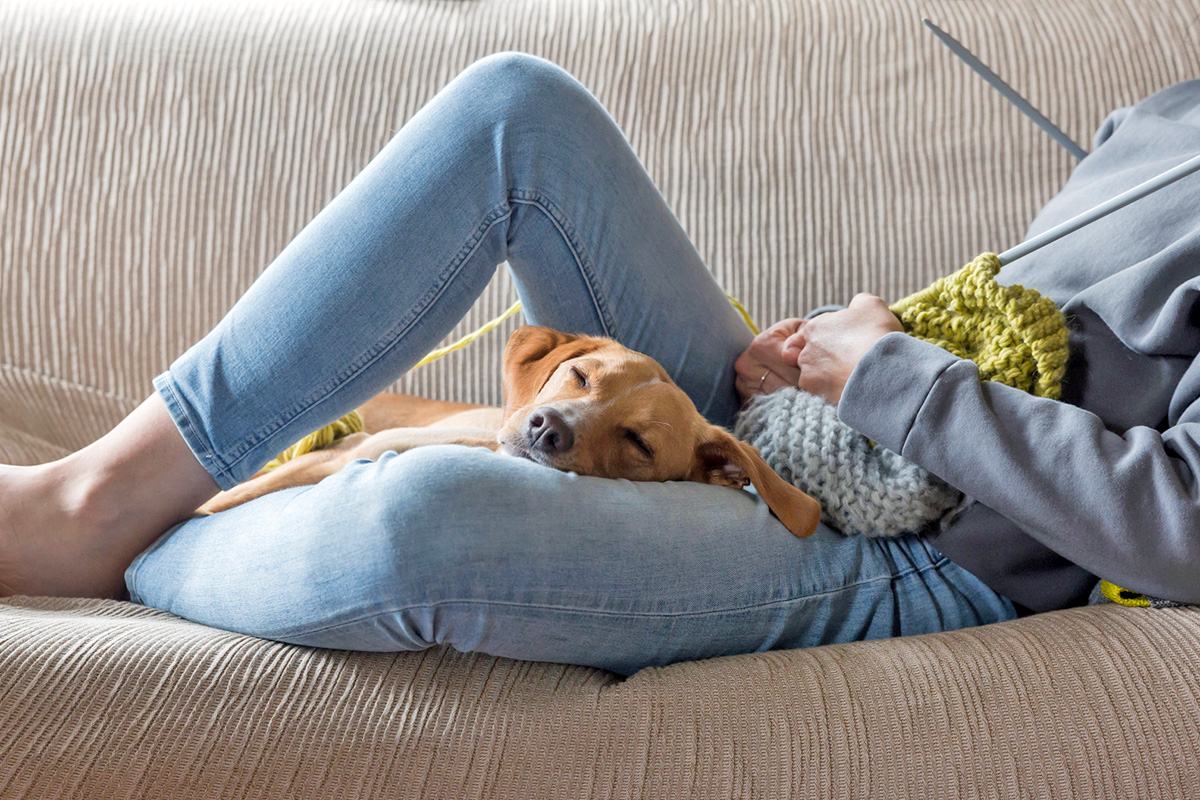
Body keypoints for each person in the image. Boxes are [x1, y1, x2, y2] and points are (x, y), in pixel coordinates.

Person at [0, 53, 1194, 677]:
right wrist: (830, 347)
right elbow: (1031, 330)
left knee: (424, 522)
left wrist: (888, 375)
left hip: (922, 555)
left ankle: (132, 545)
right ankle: (104, 490)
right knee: (520, 115)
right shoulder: (1170, 112)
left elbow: (1180, 529)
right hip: (824, 430)